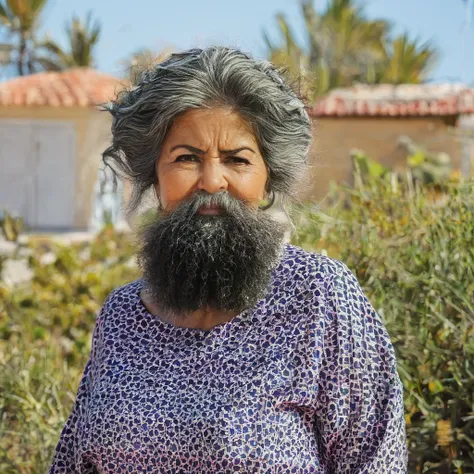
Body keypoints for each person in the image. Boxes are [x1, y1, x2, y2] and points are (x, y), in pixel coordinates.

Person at [48, 46, 408, 473]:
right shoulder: (123, 315)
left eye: (237, 159)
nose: (212, 181)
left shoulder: (319, 297)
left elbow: (374, 460)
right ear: (154, 176)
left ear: (268, 176)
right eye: (186, 158)